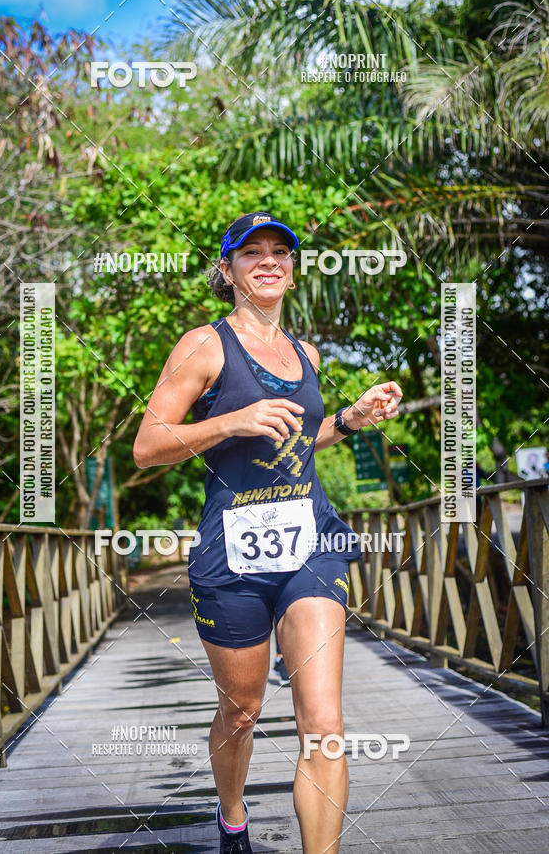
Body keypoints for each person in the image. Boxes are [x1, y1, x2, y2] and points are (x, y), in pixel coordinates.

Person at [133, 211, 402, 854]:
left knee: (324, 722)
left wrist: (351, 417)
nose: (269, 261)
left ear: (294, 266)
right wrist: (231, 422)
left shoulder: (305, 352)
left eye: (281, 251)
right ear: (226, 270)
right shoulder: (204, 346)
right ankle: (232, 817)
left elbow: (302, 436)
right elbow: (148, 446)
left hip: (311, 544)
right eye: (250, 252)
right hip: (233, 551)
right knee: (243, 710)